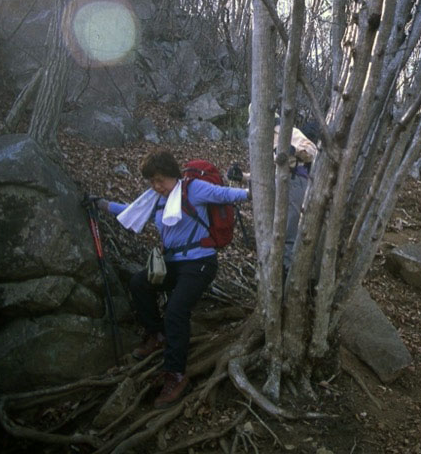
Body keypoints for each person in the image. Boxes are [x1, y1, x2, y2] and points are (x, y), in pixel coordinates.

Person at [93, 148, 251, 409]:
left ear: (172, 175)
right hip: (172, 264)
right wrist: (102, 204)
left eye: (160, 180)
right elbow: (132, 210)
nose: (156, 186)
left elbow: (224, 194)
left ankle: (176, 374)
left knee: (176, 312)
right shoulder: (155, 196)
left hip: (199, 262)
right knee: (138, 283)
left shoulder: (194, 188)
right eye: (152, 181)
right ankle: (157, 336)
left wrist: (251, 191)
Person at [227, 113, 318, 273]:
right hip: (276, 183)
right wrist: (242, 177)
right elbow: (265, 172)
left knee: (289, 230)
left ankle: (287, 271)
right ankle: (274, 269)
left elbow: (312, 150)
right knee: (272, 229)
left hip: (294, 180)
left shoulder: (289, 133)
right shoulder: (263, 141)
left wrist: (294, 150)